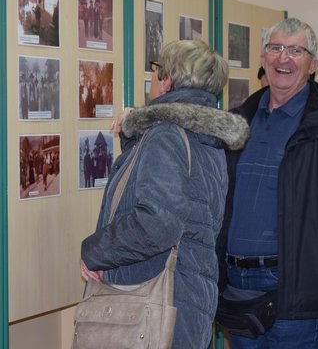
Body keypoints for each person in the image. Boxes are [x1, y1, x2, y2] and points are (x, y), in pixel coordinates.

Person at [80, 40, 249, 348]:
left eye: (156, 71)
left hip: (157, 303)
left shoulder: (166, 136)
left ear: (167, 81)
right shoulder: (205, 139)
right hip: (189, 297)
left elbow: (157, 225)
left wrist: (94, 251)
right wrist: (136, 136)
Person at [216, 18, 318, 348]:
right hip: (238, 289)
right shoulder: (238, 123)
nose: (283, 58)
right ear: (263, 58)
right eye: (275, 48)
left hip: (296, 292)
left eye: (295, 50)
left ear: (313, 65)